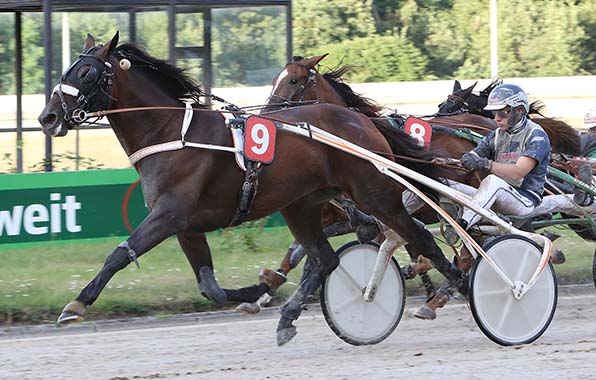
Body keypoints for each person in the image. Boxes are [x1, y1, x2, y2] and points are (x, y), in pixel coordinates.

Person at [414, 83, 552, 320]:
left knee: (491, 182)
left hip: (525, 200)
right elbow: (477, 155)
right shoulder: (496, 135)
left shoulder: (537, 135)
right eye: (493, 113)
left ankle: (463, 226)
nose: (496, 118)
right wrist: (453, 162)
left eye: (501, 113)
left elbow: (519, 173)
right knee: (441, 185)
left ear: (518, 110)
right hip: (497, 199)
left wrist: (486, 165)